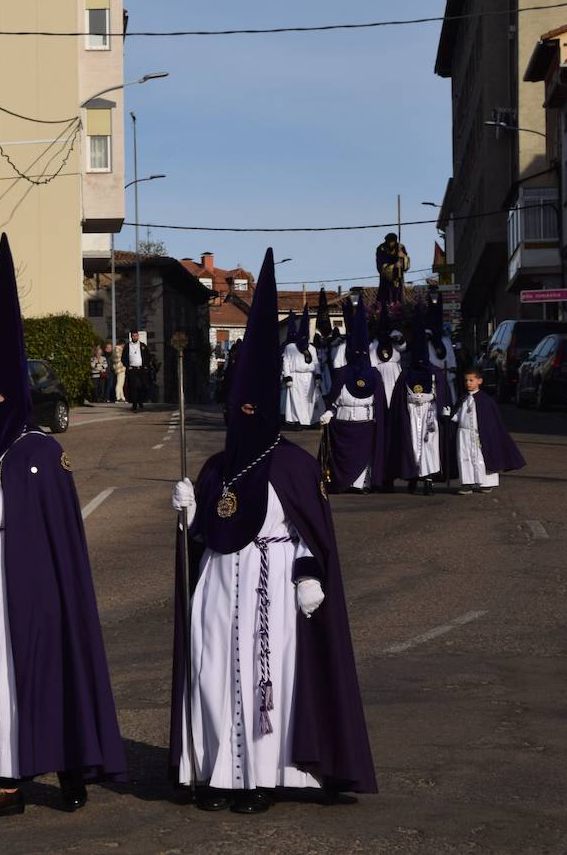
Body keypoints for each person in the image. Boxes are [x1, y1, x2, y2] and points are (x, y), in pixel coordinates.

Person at [0, 235, 126, 820]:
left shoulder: (43, 454)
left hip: (31, 589)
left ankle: (68, 765)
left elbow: (62, 539)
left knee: (40, 674)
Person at [170, 248, 376, 816]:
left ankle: (260, 778)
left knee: (267, 685)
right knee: (212, 671)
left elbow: (312, 536)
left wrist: (310, 577)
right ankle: (214, 773)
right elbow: (207, 529)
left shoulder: (292, 466)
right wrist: (189, 513)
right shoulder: (216, 465)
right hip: (218, 585)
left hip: (271, 583)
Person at [321, 301, 390, 495]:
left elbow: (380, 403)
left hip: (365, 422)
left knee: (364, 455)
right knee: (343, 456)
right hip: (343, 422)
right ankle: (343, 482)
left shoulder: (374, 375)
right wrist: (328, 411)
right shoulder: (342, 374)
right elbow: (333, 398)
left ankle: (362, 483)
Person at [390, 324, 451, 496]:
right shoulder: (406, 374)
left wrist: (443, 407)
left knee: (429, 445)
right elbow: (398, 397)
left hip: (428, 413)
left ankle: (429, 478)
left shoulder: (436, 372)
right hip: (411, 414)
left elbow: (442, 393)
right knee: (412, 445)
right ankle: (413, 476)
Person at [454, 368, 526, 494]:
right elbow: (458, 415)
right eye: (466, 381)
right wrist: (450, 415)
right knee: (465, 458)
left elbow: (492, 421)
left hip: (480, 434)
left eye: (471, 380)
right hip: (464, 434)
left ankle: (487, 483)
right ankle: (467, 483)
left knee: (483, 457)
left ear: (479, 381)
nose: (468, 383)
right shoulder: (463, 399)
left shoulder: (486, 400)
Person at [281, 307, 324, 428]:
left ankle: (311, 420)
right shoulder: (290, 347)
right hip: (296, 376)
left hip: (309, 376)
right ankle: (298, 421)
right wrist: (287, 376)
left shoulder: (312, 348)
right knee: (297, 400)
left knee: (310, 399)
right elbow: (286, 362)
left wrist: (318, 375)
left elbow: (315, 362)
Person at [375, 232, 410, 305]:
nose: (391, 243)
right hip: (386, 278)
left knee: (398, 296)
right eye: (390, 241)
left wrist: (403, 256)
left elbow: (406, 264)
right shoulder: (381, 248)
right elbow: (381, 266)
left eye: (393, 241)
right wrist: (394, 266)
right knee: (385, 296)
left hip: (398, 277)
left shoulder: (400, 247)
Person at [123, 330, 152, 412]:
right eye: (133, 336)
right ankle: (134, 404)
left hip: (141, 369)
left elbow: (148, 356)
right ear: (131, 337)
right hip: (132, 369)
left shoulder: (143, 346)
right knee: (133, 387)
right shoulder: (127, 346)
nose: (135, 337)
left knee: (143, 386)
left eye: (136, 336)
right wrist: (127, 366)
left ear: (138, 336)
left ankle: (140, 400)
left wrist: (146, 366)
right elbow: (123, 358)